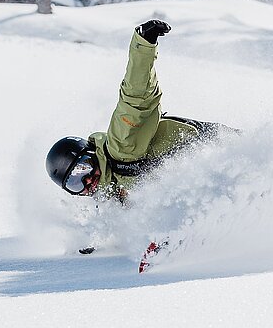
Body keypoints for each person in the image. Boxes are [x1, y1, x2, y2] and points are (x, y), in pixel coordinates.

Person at [46, 20, 226, 202]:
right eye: (75, 183)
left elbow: (135, 98)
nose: (88, 181)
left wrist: (143, 44)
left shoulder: (122, 147)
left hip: (221, 151)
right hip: (210, 185)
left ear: (92, 154)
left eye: (84, 168)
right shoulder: (112, 197)